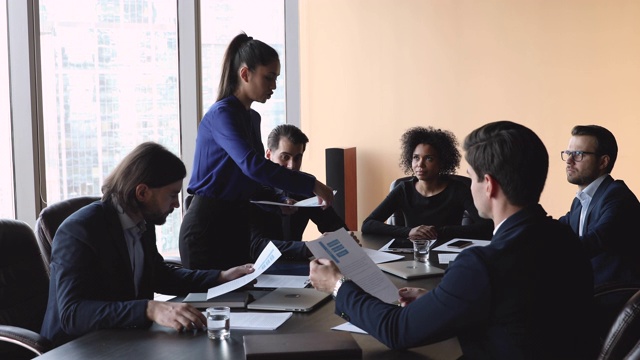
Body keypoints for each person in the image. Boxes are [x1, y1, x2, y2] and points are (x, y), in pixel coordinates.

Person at [309, 121, 597, 359]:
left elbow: (396, 329)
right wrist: (442, 301)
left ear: (489, 185)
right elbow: (519, 313)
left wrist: (337, 285)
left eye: (471, 178)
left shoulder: (482, 264)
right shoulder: (566, 238)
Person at [40, 142, 255, 347]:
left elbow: (158, 275)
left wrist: (220, 277)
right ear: (142, 192)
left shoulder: (142, 221)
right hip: (76, 347)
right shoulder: (79, 230)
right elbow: (73, 314)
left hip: (123, 338)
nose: (177, 204)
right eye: (172, 194)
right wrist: (149, 309)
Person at [179, 33, 334, 270]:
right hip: (207, 228)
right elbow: (253, 165)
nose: (273, 86)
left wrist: (279, 200)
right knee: (212, 304)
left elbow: (250, 178)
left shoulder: (252, 117)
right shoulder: (222, 114)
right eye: (269, 77)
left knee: (244, 299)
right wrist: (311, 183)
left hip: (237, 224)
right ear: (245, 74)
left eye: (276, 79)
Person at [558, 125, 640, 334]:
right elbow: (559, 228)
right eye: (568, 153)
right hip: (592, 291)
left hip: (614, 298)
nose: (569, 160)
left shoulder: (617, 197)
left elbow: (595, 241)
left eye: (578, 154)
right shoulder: (581, 202)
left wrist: (549, 251)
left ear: (603, 161)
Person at [361, 126, 492, 241]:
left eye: (429, 158)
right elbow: (368, 224)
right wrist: (409, 232)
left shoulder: (458, 189)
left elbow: (487, 227)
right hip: (412, 255)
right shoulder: (404, 189)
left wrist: (437, 232)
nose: (420, 164)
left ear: (442, 162)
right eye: (416, 157)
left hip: (447, 255)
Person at [250, 124, 353, 262]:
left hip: (298, 266)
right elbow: (256, 247)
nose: (292, 165)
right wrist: (310, 247)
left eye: (297, 158)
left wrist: (346, 238)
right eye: (285, 157)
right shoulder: (253, 188)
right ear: (268, 155)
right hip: (256, 269)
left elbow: (333, 225)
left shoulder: (306, 186)